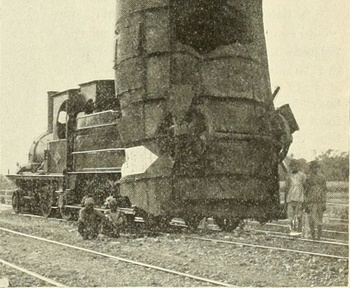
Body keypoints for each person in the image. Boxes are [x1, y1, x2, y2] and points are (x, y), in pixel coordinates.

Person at [305, 160, 327, 240]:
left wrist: (324, 202)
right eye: (314, 168)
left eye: (317, 167)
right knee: (311, 219)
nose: (316, 169)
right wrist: (306, 203)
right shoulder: (308, 178)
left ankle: (319, 236)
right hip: (311, 202)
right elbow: (306, 192)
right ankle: (313, 236)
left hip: (320, 201)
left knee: (320, 219)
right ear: (311, 168)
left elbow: (324, 191)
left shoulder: (322, 178)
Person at [285, 160, 306, 235]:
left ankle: (299, 230)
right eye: (292, 166)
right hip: (290, 198)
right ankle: (292, 230)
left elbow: (305, 187)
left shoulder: (302, 175)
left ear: (298, 167)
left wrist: (304, 199)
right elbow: (286, 188)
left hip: (299, 198)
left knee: (299, 215)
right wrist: (285, 200)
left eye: (296, 166)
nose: (294, 168)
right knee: (290, 216)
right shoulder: (289, 176)